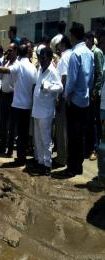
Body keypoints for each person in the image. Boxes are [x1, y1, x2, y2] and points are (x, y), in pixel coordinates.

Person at [0, 44, 37, 166]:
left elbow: (6, 71)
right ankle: (21, 156)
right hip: (28, 104)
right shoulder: (32, 67)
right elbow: (34, 85)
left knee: (15, 129)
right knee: (22, 133)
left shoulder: (19, 65)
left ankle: (20, 157)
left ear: (18, 52)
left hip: (17, 103)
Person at [60, 23, 94, 178]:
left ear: (73, 36)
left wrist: (67, 96)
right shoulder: (89, 52)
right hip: (85, 99)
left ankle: (72, 167)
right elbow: (91, 78)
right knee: (80, 135)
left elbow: (71, 79)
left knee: (73, 135)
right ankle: (78, 166)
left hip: (74, 99)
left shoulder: (75, 54)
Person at [32, 47, 63, 175]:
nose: (41, 60)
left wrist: (48, 87)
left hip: (46, 111)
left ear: (50, 58)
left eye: (44, 58)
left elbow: (60, 87)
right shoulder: (40, 69)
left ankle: (47, 163)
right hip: (37, 109)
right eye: (40, 57)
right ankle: (40, 160)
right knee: (38, 137)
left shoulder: (52, 71)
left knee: (45, 138)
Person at [0, 43, 18, 156]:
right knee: (2, 123)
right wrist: (3, 63)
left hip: (12, 96)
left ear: (15, 51)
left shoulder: (17, 65)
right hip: (3, 95)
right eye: (7, 51)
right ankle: (2, 146)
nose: (8, 53)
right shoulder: (6, 63)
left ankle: (9, 149)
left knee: (11, 124)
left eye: (10, 51)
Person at [85, 31, 104, 161]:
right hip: (89, 93)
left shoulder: (96, 52)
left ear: (91, 39)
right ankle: (90, 147)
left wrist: (95, 91)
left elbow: (99, 74)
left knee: (95, 121)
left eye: (86, 39)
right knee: (90, 121)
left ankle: (95, 149)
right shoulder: (89, 53)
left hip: (94, 94)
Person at [55, 35, 73, 167]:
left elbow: (64, 77)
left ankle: (62, 158)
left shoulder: (64, 57)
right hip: (73, 97)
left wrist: (60, 97)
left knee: (62, 129)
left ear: (63, 44)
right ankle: (65, 156)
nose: (58, 47)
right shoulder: (72, 54)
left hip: (64, 97)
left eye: (59, 45)